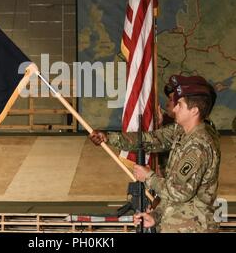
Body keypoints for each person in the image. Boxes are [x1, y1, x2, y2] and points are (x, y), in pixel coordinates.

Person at [90, 75, 221, 233]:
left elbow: (178, 192)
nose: (174, 108)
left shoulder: (198, 145)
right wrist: (156, 216)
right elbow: (151, 139)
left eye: (179, 104)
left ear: (194, 111)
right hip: (176, 226)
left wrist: (149, 177)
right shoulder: (182, 133)